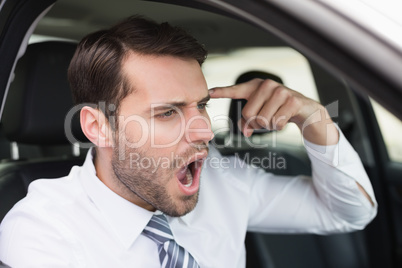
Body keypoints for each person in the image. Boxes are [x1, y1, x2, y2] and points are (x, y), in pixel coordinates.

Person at [0, 16, 377, 267]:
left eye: (201, 105)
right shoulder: (43, 231)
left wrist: (313, 119)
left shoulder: (222, 181)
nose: (205, 132)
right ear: (98, 127)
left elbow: (349, 212)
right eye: (167, 112)